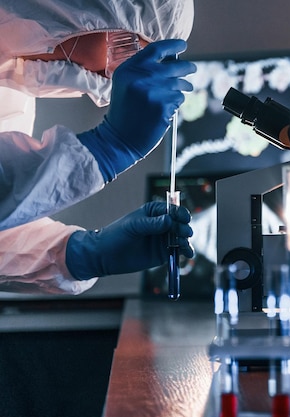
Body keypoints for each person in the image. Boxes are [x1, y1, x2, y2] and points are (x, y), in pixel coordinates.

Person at [0, 0, 196, 294]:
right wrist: (106, 150)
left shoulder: (12, 93)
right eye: (128, 47)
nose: (115, 76)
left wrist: (82, 253)